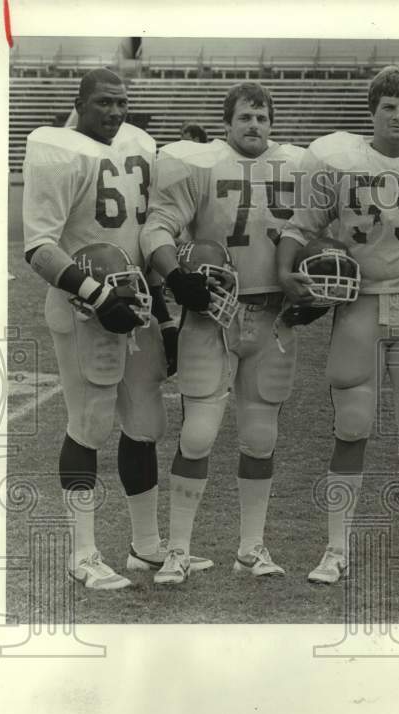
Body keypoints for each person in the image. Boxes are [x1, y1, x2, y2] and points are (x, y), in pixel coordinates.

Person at [276, 64, 399, 585]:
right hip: (359, 302)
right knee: (351, 426)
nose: (398, 117)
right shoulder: (337, 160)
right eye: (388, 107)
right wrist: (285, 268)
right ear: (372, 111)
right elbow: (302, 225)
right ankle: (335, 548)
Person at [22, 67, 189, 589]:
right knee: (89, 423)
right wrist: (95, 294)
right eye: (103, 104)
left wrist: (162, 316)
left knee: (144, 425)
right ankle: (83, 553)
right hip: (82, 308)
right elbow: (38, 248)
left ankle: (145, 547)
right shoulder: (55, 150)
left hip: (135, 302)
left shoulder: (139, 142)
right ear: (80, 103)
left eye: (121, 103)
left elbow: (141, 238)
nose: (115, 113)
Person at [140, 82, 306, 584]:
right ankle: (179, 549)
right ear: (227, 123)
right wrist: (176, 278)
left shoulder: (299, 167)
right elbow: (157, 228)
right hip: (211, 312)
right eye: (245, 117)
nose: (254, 125)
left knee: (260, 437)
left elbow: (321, 231)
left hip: (272, 314)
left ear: (272, 123)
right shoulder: (200, 164)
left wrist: (313, 291)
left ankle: (251, 548)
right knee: (197, 435)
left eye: (262, 117)